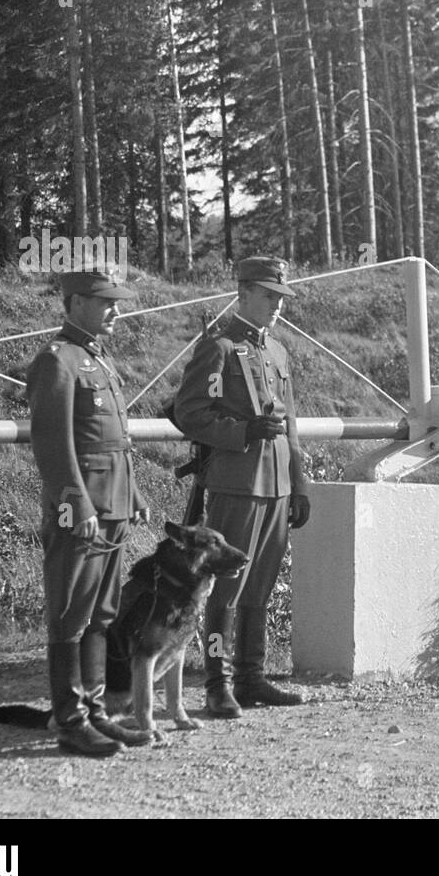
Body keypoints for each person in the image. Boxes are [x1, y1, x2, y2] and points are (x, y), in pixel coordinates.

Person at [174, 256, 310, 717]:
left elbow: (290, 427)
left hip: (275, 488)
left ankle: (252, 677)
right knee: (226, 589)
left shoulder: (278, 352)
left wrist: (300, 484)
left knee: (262, 588)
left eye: (280, 297)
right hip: (236, 483)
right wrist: (241, 432)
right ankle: (218, 682)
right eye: (269, 295)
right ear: (243, 293)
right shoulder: (219, 348)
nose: (276, 305)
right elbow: (190, 413)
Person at [27, 263, 153, 755]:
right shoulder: (57, 361)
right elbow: (53, 444)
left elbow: (115, 443)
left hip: (113, 506)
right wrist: (76, 502)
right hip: (81, 510)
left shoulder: (97, 360)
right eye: (105, 302)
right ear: (76, 302)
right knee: (70, 614)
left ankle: (96, 712)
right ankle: (70, 719)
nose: (115, 312)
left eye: (116, 302)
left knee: (101, 614)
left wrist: (134, 495)